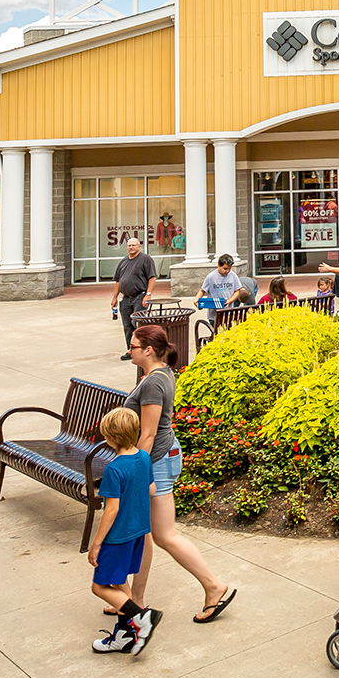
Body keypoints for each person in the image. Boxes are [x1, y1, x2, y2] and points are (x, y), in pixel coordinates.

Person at [119, 324, 237, 625]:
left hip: (155, 460)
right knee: (148, 534)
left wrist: (136, 472)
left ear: (147, 350)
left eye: (133, 346)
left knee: (164, 535)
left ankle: (213, 586)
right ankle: (136, 600)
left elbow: (147, 434)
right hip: (160, 457)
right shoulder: (158, 376)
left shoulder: (153, 384)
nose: (129, 349)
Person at [86, 407, 164, 655]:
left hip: (117, 537)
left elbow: (111, 510)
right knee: (121, 584)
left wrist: (97, 543)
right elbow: (151, 490)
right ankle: (125, 635)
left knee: (99, 587)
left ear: (110, 439)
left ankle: (142, 619)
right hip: (138, 532)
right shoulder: (143, 457)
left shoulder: (114, 469)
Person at [113, 237, 158, 360]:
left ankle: (143, 350)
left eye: (134, 245)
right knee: (127, 326)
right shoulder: (123, 262)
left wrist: (148, 294)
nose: (131, 247)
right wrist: (114, 298)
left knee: (138, 324)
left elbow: (152, 277)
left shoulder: (145, 259)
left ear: (139, 246)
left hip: (140, 296)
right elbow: (117, 281)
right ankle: (131, 351)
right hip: (125, 299)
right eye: (129, 245)